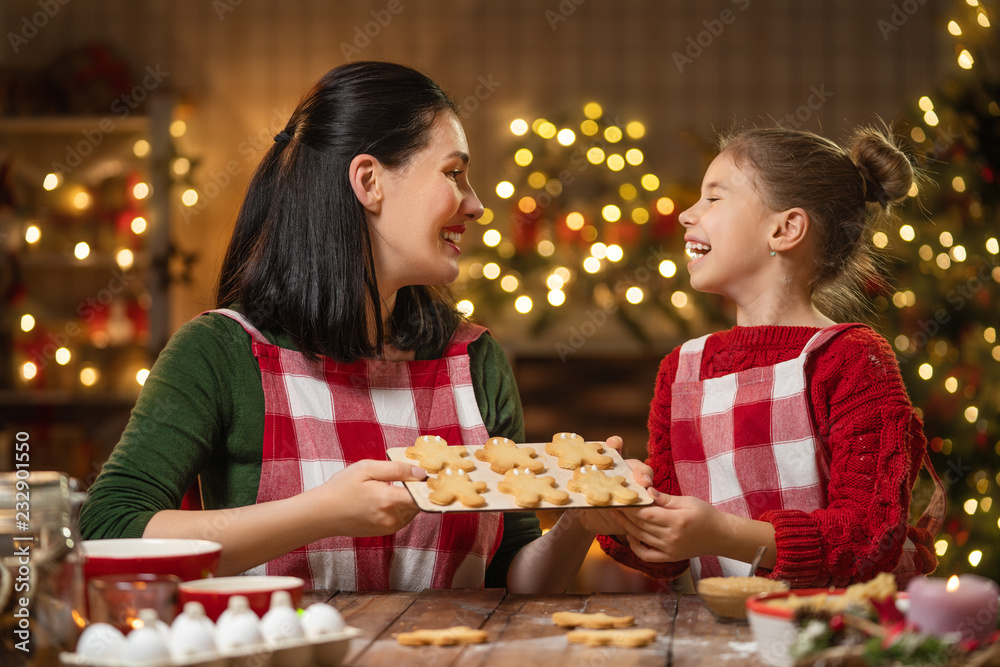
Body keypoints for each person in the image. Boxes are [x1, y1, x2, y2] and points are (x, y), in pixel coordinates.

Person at [80, 61, 598, 593]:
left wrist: (583, 519)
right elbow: (108, 530)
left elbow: (512, 579)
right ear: (369, 182)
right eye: (453, 174)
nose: (477, 204)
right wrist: (320, 514)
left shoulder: (475, 361)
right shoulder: (219, 353)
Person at [588, 125, 945, 588]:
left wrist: (722, 533)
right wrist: (626, 508)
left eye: (714, 199)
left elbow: (866, 540)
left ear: (785, 228)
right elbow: (669, 558)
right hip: (722, 643)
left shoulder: (851, 359)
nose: (686, 215)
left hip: (832, 639)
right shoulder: (681, 370)